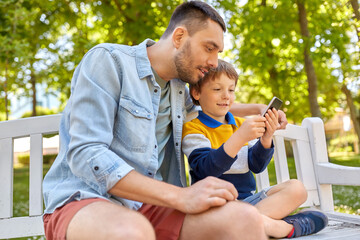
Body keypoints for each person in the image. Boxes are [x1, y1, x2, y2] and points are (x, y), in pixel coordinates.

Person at [42, 1, 288, 240]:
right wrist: (180, 197)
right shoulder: (109, 61)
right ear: (179, 37)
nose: (214, 62)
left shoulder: (179, 89)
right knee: (132, 232)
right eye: (209, 48)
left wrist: (257, 108)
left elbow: (211, 106)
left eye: (218, 53)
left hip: (152, 205)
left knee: (245, 219)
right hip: (86, 199)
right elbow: (87, 153)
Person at [182, 59, 328, 238]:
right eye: (217, 89)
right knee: (230, 215)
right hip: (216, 207)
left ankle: (251, 223)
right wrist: (239, 138)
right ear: (196, 93)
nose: (226, 96)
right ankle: (284, 227)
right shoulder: (194, 128)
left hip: (249, 204)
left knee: (297, 189)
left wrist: (266, 139)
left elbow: (256, 166)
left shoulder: (241, 124)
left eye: (231, 90)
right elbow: (206, 169)